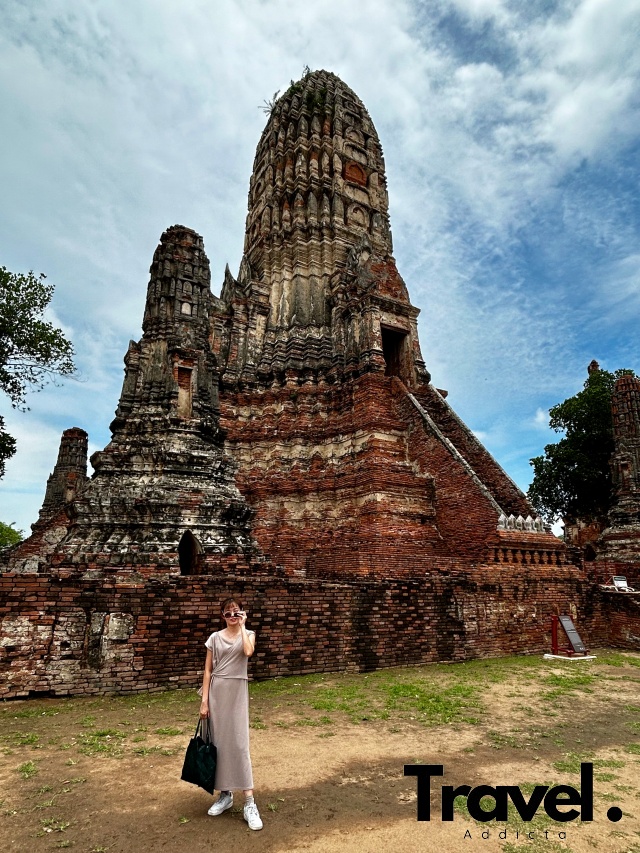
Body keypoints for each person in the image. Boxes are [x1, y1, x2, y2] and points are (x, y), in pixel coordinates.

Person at [199, 597, 263, 831]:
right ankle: (225, 795)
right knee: (219, 744)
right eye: (228, 613)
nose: (232, 616)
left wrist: (244, 626)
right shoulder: (214, 638)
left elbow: (247, 652)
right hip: (217, 693)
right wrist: (204, 701)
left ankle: (249, 801)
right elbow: (207, 670)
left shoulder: (249, 634)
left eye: (236, 612)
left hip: (237, 691)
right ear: (222, 616)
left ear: (242, 614)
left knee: (239, 743)